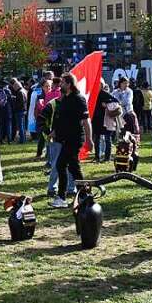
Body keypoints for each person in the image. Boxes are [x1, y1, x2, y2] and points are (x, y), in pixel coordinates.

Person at [49, 73, 93, 209]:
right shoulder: (65, 99)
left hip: (74, 139)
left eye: (62, 82)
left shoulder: (79, 99)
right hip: (64, 139)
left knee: (61, 165)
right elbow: (62, 119)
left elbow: (86, 121)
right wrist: (55, 131)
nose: (60, 84)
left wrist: (89, 139)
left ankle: (62, 197)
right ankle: (84, 194)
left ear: (69, 84)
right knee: (73, 167)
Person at [0, 80, 12, 144]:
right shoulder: (8, 91)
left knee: (0, 126)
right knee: (8, 125)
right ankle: (9, 140)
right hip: (8, 110)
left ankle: (0, 140)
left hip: (0, 111)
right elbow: (11, 101)